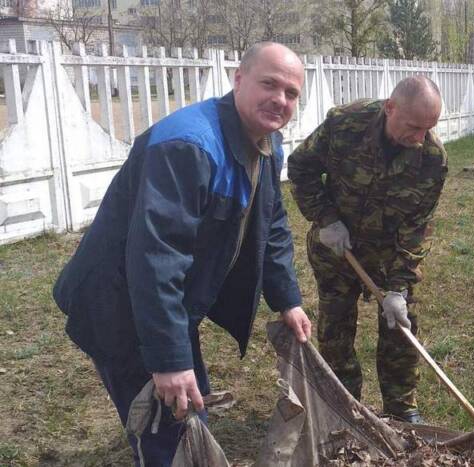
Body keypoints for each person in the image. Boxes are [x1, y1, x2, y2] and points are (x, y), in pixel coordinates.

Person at [52, 42, 312, 466]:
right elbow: (156, 257)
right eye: (269, 84)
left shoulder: (267, 144)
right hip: (119, 304)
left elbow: (272, 223)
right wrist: (170, 360)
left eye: (291, 93)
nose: (280, 99)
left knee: (190, 410)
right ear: (239, 80)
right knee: (169, 432)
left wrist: (288, 300)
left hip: (168, 303)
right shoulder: (187, 146)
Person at [286, 75, 447, 424]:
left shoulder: (432, 158)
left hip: (389, 255)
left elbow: (417, 229)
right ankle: (342, 407)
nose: (420, 138)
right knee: (336, 328)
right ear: (390, 108)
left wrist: (399, 287)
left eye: (429, 128)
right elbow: (300, 167)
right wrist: (325, 217)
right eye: (414, 127)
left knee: (400, 326)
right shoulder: (345, 124)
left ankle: (401, 408)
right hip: (337, 248)